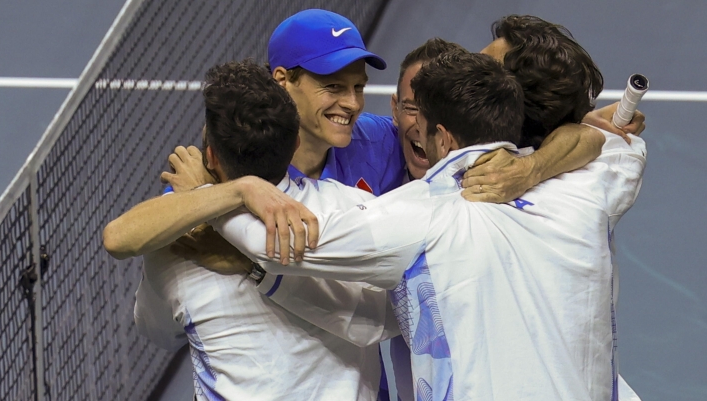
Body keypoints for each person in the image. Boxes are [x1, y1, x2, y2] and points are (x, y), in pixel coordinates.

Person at [211, 49, 646, 400]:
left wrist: (221, 193)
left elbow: (273, 244)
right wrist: (555, 151)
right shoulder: (583, 190)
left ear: (446, 138)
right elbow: (621, 146)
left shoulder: (418, 216)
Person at [124, 60, 386, 400]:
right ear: (294, 143)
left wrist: (206, 201)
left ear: (211, 156)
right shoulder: (357, 212)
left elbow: (158, 332)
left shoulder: (176, 246)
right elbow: (383, 318)